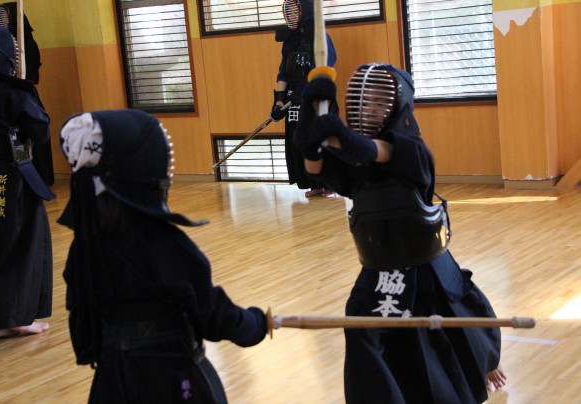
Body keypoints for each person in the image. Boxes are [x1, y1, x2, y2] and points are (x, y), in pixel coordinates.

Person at [293, 63, 503, 403]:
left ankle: (482, 366)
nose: (368, 110)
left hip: (426, 269)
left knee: (457, 335)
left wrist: (340, 137)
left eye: (378, 102)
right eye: (362, 103)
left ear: (397, 106)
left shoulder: (413, 151)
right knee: (367, 343)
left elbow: (377, 151)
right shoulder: (357, 166)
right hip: (378, 272)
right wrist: (311, 137)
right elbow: (317, 169)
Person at [58, 109, 268, 403]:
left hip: (112, 384)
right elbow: (211, 314)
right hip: (173, 381)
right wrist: (254, 324)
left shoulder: (84, 248)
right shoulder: (165, 244)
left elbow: (82, 321)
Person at [0, 21, 54, 341]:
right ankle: (11, 319)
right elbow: (41, 131)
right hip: (7, 177)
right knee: (17, 244)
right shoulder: (11, 91)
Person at [271, 0, 337, 197]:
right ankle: (312, 184)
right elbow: (283, 71)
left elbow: (325, 69)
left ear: (306, 11)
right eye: (288, 12)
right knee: (297, 139)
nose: (291, 15)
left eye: (295, 11)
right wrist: (279, 100)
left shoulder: (321, 38)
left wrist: (309, 93)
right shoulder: (289, 40)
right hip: (293, 97)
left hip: (317, 99)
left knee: (318, 138)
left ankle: (330, 184)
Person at [0, 2, 54, 186]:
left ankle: (42, 178)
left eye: (5, 18)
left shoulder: (28, 44)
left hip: (26, 97)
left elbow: (29, 76)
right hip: (11, 98)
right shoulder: (4, 45)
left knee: (34, 136)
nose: (1, 23)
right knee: (16, 139)